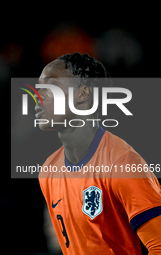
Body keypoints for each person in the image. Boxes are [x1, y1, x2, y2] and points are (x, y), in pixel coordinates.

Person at [37, 53, 161, 254]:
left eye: (50, 87)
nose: (38, 94)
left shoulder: (123, 164)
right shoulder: (49, 171)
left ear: (83, 94)